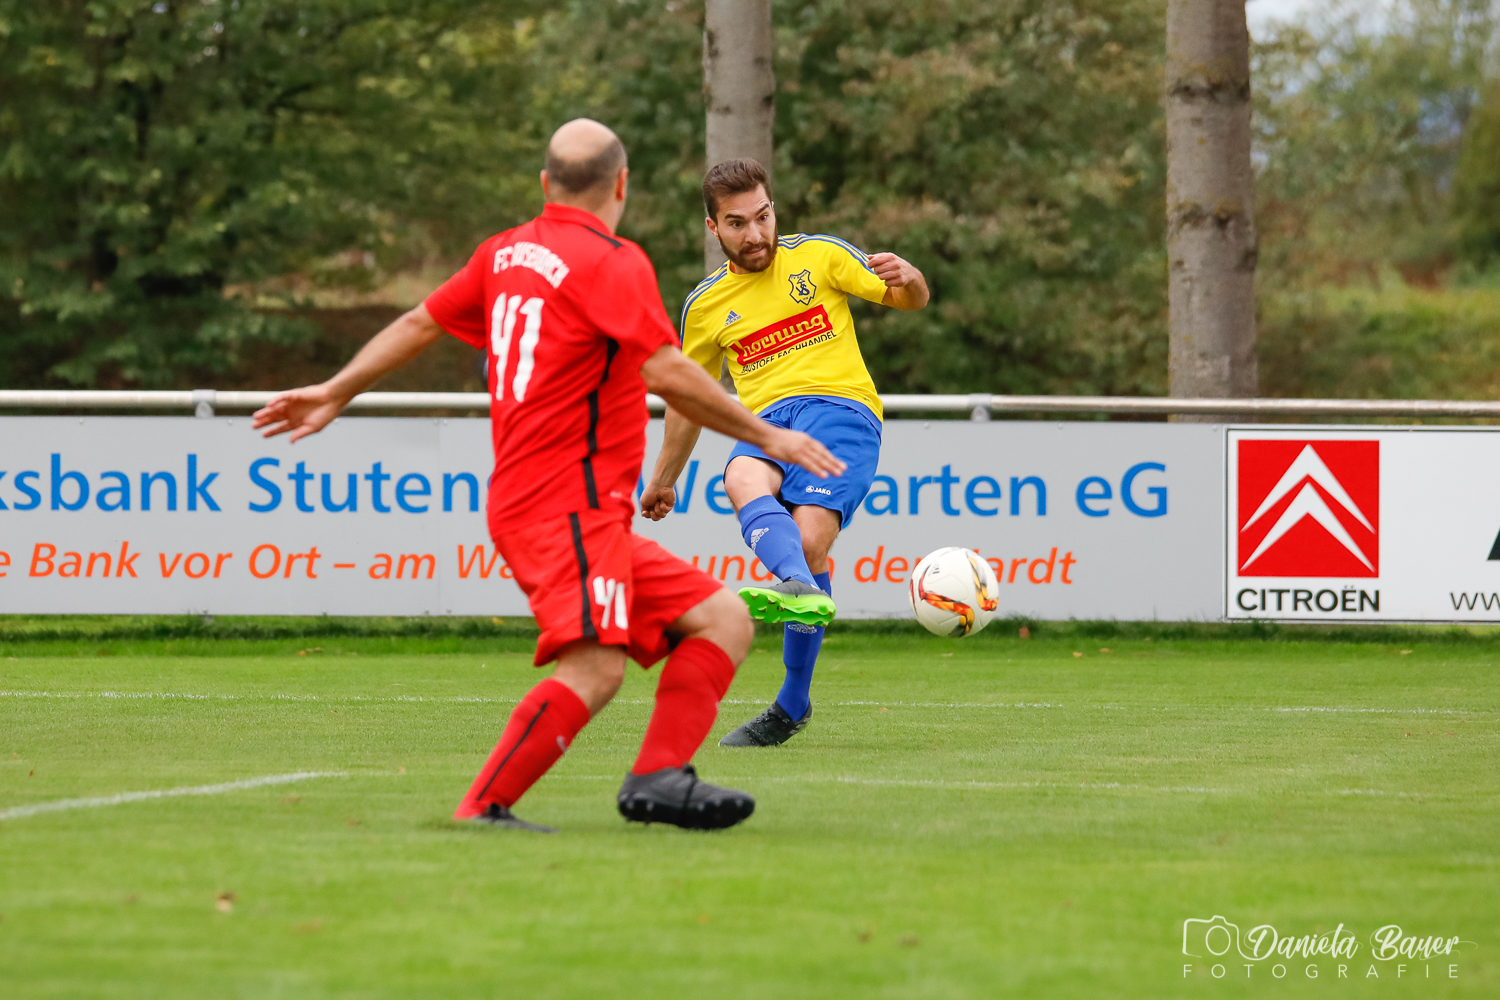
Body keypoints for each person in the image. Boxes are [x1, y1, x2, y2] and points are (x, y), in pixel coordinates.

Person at [252, 121, 844, 832]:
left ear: (544, 185)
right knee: (596, 669)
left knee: (720, 620)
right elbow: (666, 370)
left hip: (552, 504)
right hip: (563, 505)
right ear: (621, 184)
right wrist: (766, 432)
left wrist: (335, 388)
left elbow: (417, 323)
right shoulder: (613, 261)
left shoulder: (504, 253)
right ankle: (482, 808)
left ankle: (659, 778)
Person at [640, 158, 929, 748]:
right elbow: (688, 400)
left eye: (764, 216)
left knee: (813, 541)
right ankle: (798, 602)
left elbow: (908, 300)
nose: (756, 234)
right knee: (741, 474)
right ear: (712, 229)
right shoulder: (706, 306)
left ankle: (791, 695)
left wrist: (913, 276)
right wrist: (664, 477)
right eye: (738, 223)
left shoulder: (820, 256)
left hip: (843, 410)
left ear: (774, 209)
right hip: (769, 423)